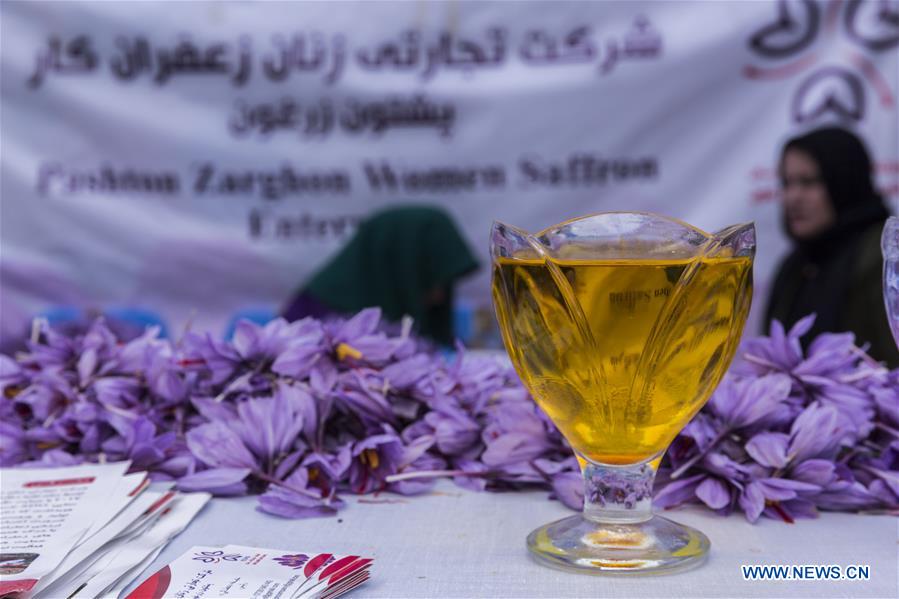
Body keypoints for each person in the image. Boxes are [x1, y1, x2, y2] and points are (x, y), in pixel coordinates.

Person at [765, 126, 898, 366]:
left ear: (844, 181)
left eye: (808, 182)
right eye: (787, 183)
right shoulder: (796, 265)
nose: (793, 197)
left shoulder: (883, 256)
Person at [282, 205, 479, 345]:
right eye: (431, 281)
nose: (439, 298)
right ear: (401, 267)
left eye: (445, 285)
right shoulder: (313, 322)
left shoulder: (409, 315)